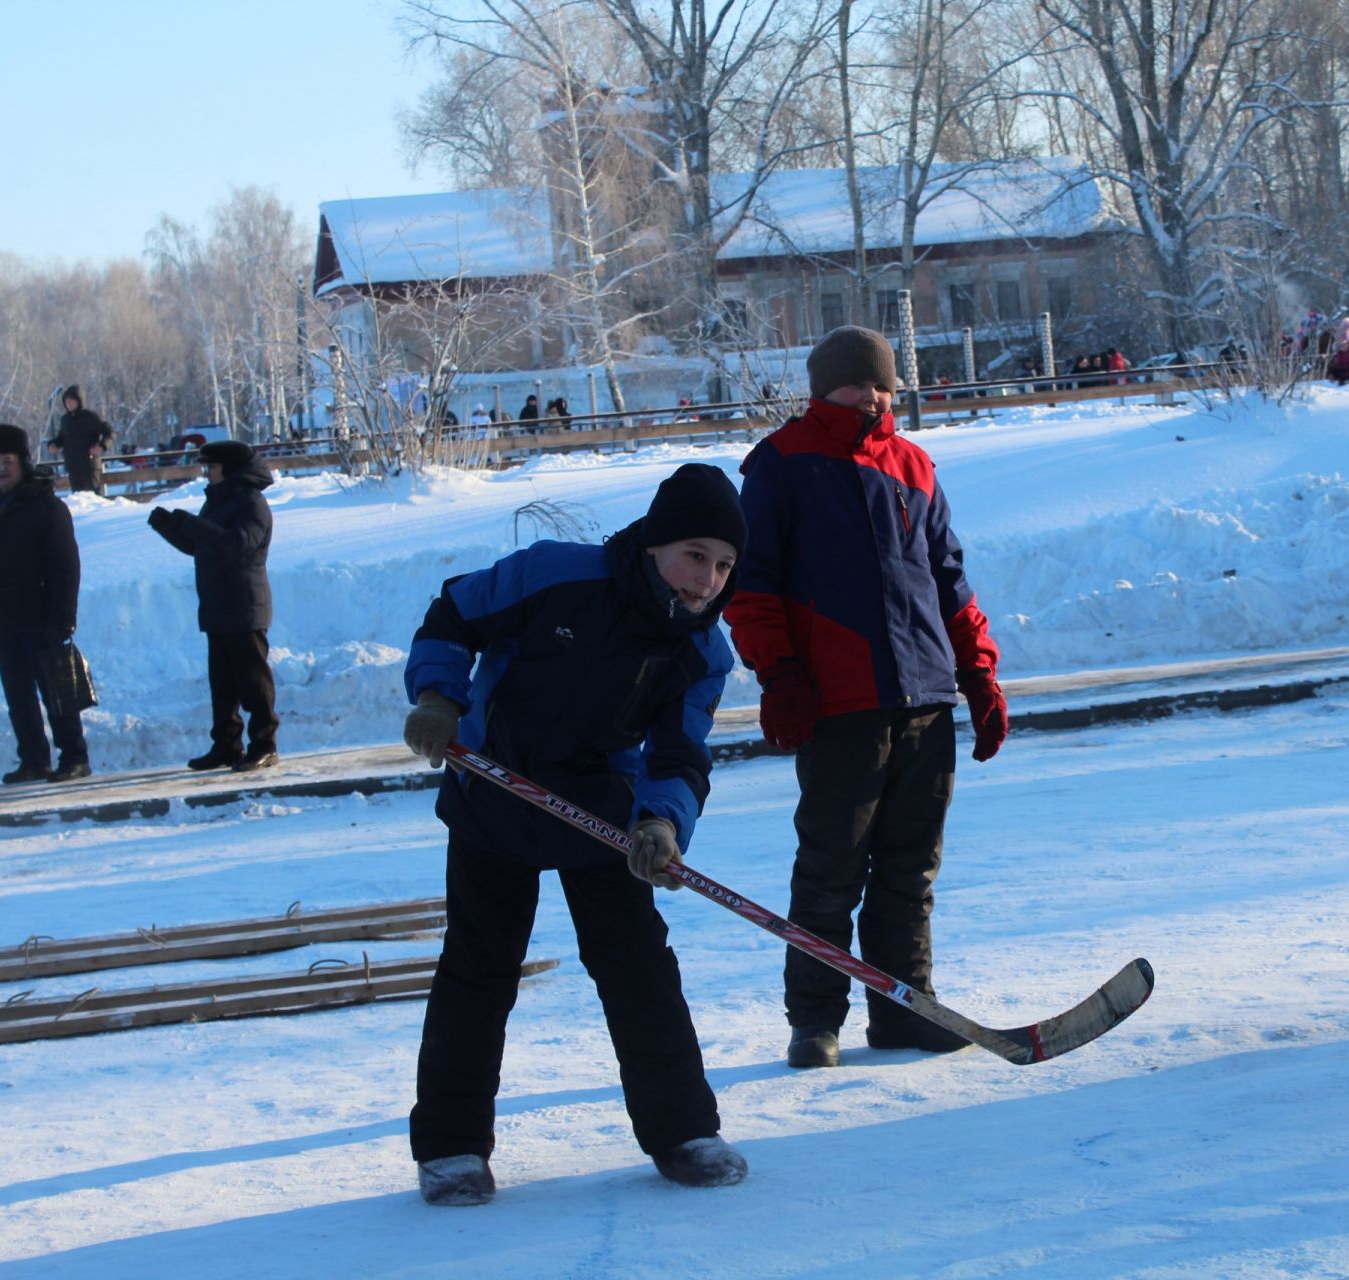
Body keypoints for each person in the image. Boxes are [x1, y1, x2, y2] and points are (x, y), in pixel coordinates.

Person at [398, 463, 752, 1204]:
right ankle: (452, 1147)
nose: (707, 578)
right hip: (496, 787)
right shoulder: (557, 576)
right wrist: (437, 694)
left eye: (724, 565)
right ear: (656, 544)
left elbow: (680, 753)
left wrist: (661, 823)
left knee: (637, 967)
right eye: (695, 554)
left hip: (601, 814)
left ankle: (684, 1130)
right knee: (479, 966)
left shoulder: (703, 652)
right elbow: (453, 615)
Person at [725, 324, 1008, 1070]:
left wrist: (977, 675)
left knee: (911, 871)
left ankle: (904, 1011)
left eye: (883, 385)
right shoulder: (781, 465)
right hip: (837, 704)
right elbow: (750, 587)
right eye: (859, 385)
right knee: (830, 871)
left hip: (923, 695)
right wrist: (780, 675)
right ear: (824, 388)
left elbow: (949, 580)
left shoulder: (913, 465)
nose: (874, 398)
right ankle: (814, 1022)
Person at [0, 424, 92, 784]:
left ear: (23, 463)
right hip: (0, 618)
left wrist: (64, 617)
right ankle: (34, 759)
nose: (0, 469)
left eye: (8, 462)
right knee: (19, 696)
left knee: (56, 691)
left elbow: (66, 566)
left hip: (41, 617)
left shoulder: (45, 506)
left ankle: (74, 757)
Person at [146, 440, 280, 773]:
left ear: (229, 469)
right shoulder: (217, 503)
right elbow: (202, 546)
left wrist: (191, 524)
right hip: (218, 607)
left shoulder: (253, 504)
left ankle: (264, 744)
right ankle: (226, 745)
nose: (206, 474)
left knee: (253, 683)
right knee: (222, 686)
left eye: (211, 467)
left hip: (245, 607)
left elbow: (237, 546)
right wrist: (170, 527)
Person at [48, 384, 114, 498]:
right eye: (66, 402)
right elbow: (62, 438)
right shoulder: (65, 420)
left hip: (89, 465)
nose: (69, 404)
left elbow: (110, 432)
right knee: (78, 500)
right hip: (73, 466)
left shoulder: (90, 417)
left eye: (71, 401)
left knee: (93, 499)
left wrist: (102, 446)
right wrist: (53, 444)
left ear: (79, 401)